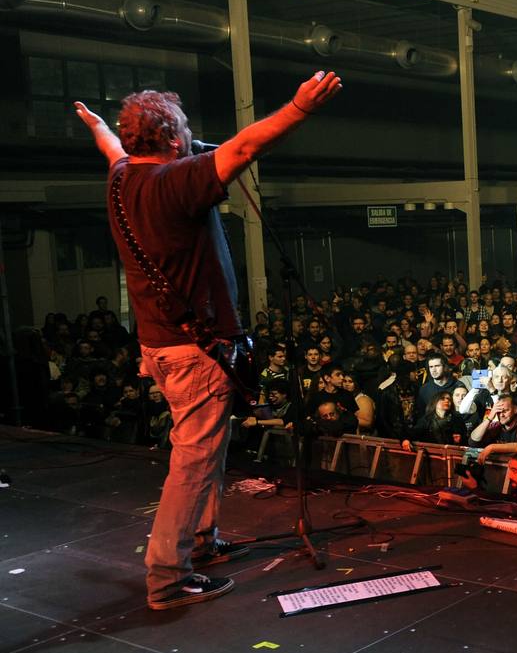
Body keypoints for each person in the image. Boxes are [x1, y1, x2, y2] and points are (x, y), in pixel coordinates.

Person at [74, 69, 343, 609]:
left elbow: (110, 148)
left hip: (160, 345)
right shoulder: (179, 184)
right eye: (185, 130)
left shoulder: (122, 176)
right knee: (193, 460)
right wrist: (298, 106)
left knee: (205, 450)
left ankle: (203, 540)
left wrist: (101, 126)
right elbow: (246, 144)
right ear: (173, 140)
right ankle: (167, 576)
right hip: (195, 350)